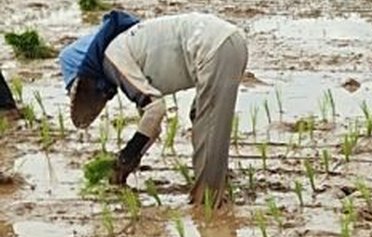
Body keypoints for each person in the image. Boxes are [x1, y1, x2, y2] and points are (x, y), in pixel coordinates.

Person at [58, 10, 247, 206]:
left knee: (209, 127)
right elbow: (151, 125)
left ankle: (208, 205)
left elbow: (155, 109)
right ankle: (219, 186)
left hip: (214, 46)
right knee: (200, 116)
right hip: (227, 41)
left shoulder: (112, 57)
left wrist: (127, 156)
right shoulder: (128, 46)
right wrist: (132, 158)